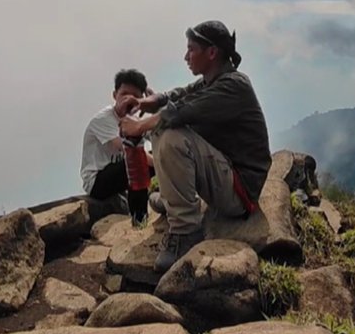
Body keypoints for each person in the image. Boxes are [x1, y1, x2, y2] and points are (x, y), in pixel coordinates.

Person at [119, 21, 271, 272]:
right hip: (225, 174)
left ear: (211, 53)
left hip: (240, 191)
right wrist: (145, 101)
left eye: (191, 49)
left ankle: (185, 230)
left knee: (170, 136)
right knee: (162, 130)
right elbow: (176, 96)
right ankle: (173, 202)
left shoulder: (233, 85)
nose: (186, 56)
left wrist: (138, 126)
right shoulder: (211, 81)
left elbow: (179, 111)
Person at [80, 68, 153, 223]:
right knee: (140, 160)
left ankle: (142, 214)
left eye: (135, 97)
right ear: (115, 95)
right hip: (97, 180)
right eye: (124, 94)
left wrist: (154, 106)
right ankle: (139, 219)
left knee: (160, 153)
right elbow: (127, 149)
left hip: (117, 173)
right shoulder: (104, 120)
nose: (128, 100)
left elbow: (158, 136)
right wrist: (162, 162)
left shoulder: (135, 121)